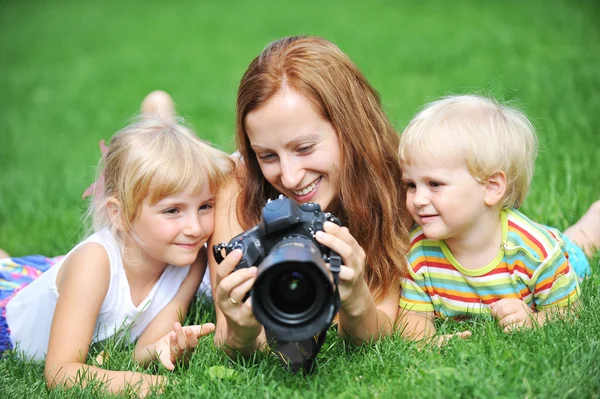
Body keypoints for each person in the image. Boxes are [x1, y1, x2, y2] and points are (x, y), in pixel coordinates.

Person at [206, 36, 413, 372]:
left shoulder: (395, 189)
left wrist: (358, 301)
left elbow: (379, 328)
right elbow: (231, 337)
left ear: (352, 130)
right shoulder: (239, 185)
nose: (289, 177)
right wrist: (241, 332)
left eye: (304, 148)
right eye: (267, 155)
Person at [0, 117, 234, 396]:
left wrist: (166, 346)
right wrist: (143, 385)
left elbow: (145, 347)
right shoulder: (93, 265)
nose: (195, 228)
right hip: (11, 318)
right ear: (119, 214)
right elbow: (60, 372)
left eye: (205, 206)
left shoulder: (192, 259)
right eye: (173, 210)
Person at [396, 94, 590, 343]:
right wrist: (427, 341)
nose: (419, 199)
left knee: (580, 242)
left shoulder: (535, 252)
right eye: (411, 185)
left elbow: (570, 314)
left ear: (491, 187)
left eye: (435, 184)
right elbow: (413, 318)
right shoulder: (418, 251)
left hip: (564, 255)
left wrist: (535, 321)